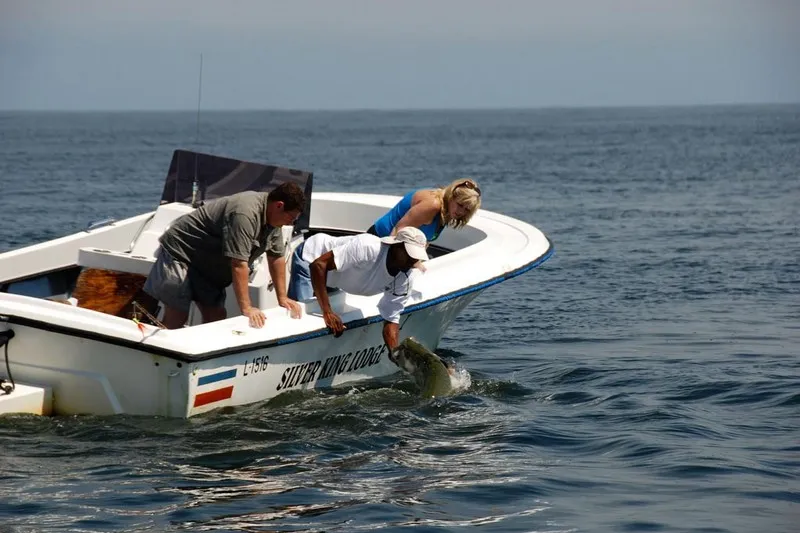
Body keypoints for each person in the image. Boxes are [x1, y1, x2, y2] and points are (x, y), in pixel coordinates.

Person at [143, 182, 306, 329]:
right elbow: (238, 263)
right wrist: (247, 308)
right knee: (177, 316)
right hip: (182, 253)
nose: (290, 223)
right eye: (291, 218)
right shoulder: (245, 213)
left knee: (216, 318)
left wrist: (282, 298)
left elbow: (276, 257)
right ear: (279, 205)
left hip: (207, 266)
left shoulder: (274, 221)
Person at [287, 226, 428, 351]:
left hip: (333, 278)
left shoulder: (406, 276)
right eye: (410, 255)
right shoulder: (369, 248)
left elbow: (391, 318)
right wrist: (327, 311)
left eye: (415, 258)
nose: (412, 262)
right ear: (397, 246)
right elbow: (318, 265)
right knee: (300, 318)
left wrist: (394, 353)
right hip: (311, 258)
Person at [367, 178, 482, 243]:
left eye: (467, 209)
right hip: (378, 241)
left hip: (398, 246)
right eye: (460, 205)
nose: (461, 212)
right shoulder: (433, 205)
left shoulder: (447, 211)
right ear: (451, 197)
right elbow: (398, 231)